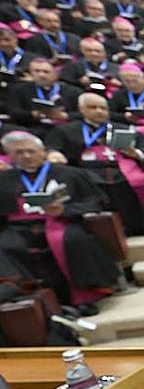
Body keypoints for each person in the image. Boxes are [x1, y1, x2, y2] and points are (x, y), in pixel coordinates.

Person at [0, 130, 119, 315]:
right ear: (9, 156)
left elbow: (95, 202)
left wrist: (64, 210)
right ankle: (34, 299)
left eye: (31, 151)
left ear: (43, 151)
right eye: (18, 153)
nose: (26, 156)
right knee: (6, 246)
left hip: (65, 221)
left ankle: (84, 297)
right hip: (19, 227)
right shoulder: (3, 180)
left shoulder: (70, 174)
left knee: (73, 241)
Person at [46, 93, 144, 236]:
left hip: (120, 166)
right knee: (88, 184)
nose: (99, 111)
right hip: (85, 169)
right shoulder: (65, 130)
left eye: (103, 108)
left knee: (136, 181)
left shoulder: (122, 128)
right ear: (81, 109)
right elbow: (53, 148)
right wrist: (54, 154)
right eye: (93, 107)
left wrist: (135, 153)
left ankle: (143, 225)